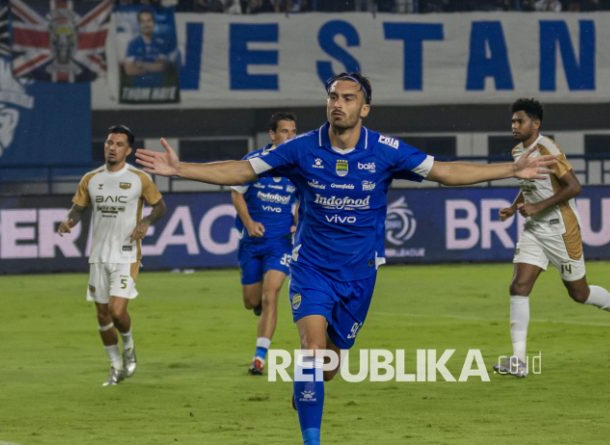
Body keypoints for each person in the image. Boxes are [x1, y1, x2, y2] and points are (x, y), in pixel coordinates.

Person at [135, 72, 556, 445]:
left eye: (348, 98)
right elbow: (241, 171)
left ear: (365, 108)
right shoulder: (301, 148)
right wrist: (181, 169)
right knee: (311, 353)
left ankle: (307, 390)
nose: (338, 104)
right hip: (312, 269)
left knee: (328, 368)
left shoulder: (386, 151)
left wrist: (510, 171)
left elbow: (446, 172)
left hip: (359, 276)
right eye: (333, 97)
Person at [492, 98, 610, 378]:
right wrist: (514, 207)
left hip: (561, 228)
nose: (514, 125)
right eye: (512, 120)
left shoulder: (548, 149)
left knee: (579, 293)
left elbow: (574, 186)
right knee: (518, 286)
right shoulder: (517, 151)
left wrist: (537, 207)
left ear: (535, 124)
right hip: (535, 229)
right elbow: (529, 185)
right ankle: (518, 360)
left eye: (519, 120)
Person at [58, 125, 166, 387]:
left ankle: (128, 347)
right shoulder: (91, 178)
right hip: (98, 256)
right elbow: (78, 208)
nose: (112, 148)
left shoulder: (139, 178)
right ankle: (116, 366)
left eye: (118, 144)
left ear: (128, 150)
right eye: (109, 143)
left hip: (126, 254)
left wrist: (147, 221)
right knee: (102, 315)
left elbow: (160, 206)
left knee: (117, 311)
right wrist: (68, 220)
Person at [231, 112, 298, 375]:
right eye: (285, 132)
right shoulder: (255, 162)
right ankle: (256, 304)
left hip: (280, 244)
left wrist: (297, 222)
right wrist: (248, 223)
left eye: (293, 132)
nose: (290, 137)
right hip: (252, 242)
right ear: (272, 135)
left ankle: (259, 358)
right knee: (252, 301)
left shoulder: (298, 165)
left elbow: (306, 198)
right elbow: (236, 195)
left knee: (272, 295)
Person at [122, 9, 174, 88]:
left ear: (154, 23)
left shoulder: (161, 43)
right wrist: (153, 65)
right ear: (139, 24)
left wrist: (141, 64)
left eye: (149, 21)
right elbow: (129, 70)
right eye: (143, 21)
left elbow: (162, 67)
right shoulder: (133, 44)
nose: (146, 24)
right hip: (138, 91)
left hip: (159, 90)